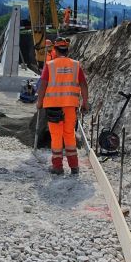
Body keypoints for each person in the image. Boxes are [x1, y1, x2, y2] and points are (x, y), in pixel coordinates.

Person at [36, 37, 89, 175]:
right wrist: (85, 102)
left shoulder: (50, 65)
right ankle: (74, 166)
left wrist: (39, 102)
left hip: (53, 106)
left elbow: (43, 85)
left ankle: (58, 167)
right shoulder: (76, 65)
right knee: (69, 135)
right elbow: (83, 84)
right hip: (70, 106)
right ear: (67, 50)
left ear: (55, 49)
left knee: (56, 136)